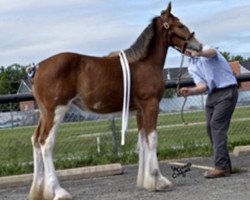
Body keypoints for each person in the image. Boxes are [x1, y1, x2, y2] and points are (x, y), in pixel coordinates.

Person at [179, 45, 238, 178]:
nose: (184, 51)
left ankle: (221, 167)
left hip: (227, 90)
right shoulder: (191, 66)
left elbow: (212, 53)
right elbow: (202, 86)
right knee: (209, 127)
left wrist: (198, 53)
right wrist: (191, 91)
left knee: (216, 125)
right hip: (212, 95)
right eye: (182, 49)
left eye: (185, 47)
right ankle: (225, 166)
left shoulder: (206, 50)